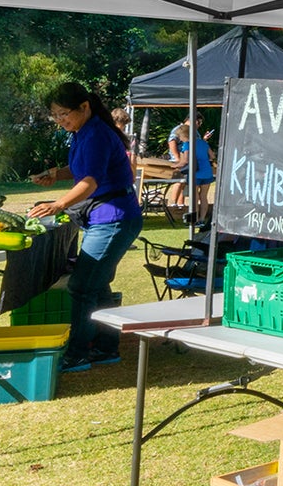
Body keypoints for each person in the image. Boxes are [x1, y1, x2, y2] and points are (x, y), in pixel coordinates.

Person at [30, 81, 143, 374]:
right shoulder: (82, 132)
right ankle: (106, 348)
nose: (60, 120)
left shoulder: (95, 134)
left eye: (63, 113)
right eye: (54, 115)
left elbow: (90, 181)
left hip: (114, 218)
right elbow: (84, 167)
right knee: (98, 283)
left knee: (81, 286)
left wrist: (58, 205)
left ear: (84, 107)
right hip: (105, 218)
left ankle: (78, 353)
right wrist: (56, 174)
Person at [166, 116, 215, 226]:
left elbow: (185, 161)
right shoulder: (203, 143)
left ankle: (194, 219)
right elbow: (212, 156)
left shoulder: (187, 145)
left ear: (183, 136)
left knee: (195, 197)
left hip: (195, 174)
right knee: (204, 196)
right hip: (207, 173)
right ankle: (202, 219)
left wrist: (175, 166)